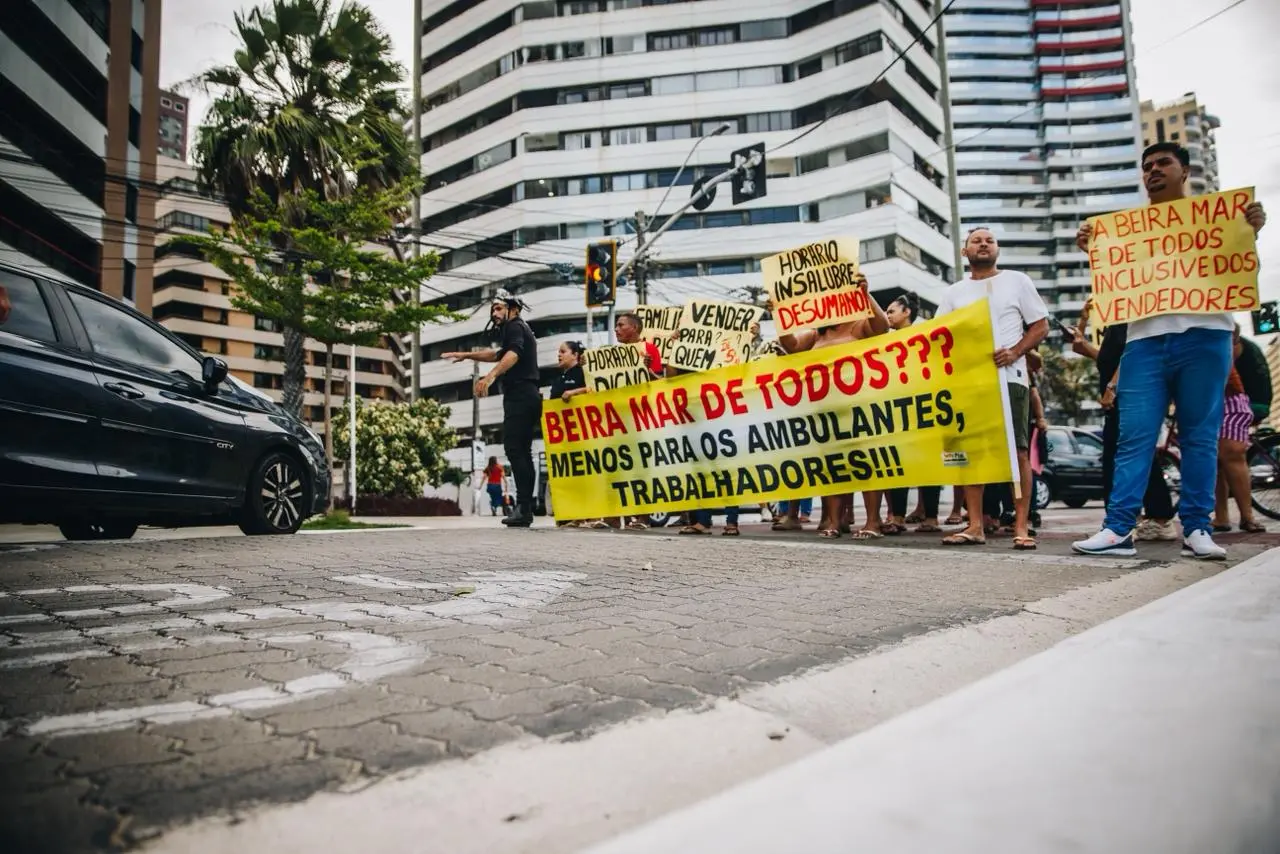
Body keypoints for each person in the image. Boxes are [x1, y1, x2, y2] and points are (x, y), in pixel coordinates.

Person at [1072, 142, 1267, 559]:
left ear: (1184, 171)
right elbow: (1115, 277)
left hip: (1205, 335)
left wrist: (1250, 230)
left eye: (1163, 163)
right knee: (1133, 436)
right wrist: (1094, 248)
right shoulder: (1128, 230)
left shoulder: (1220, 219)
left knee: (1199, 436)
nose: (1153, 171)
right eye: (1147, 166)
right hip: (1143, 342)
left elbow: (1242, 267)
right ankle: (1118, 528)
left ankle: (1197, 528)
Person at [935, 228, 1049, 550]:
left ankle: (1022, 526)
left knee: (1019, 452)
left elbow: (1041, 325)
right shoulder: (954, 292)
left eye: (990, 240)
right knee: (971, 454)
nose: (983, 244)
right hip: (970, 383)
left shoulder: (1018, 281)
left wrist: (1015, 351)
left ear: (997, 249)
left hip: (1010, 379)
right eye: (976, 241)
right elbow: (938, 335)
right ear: (964, 252)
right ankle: (974, 525)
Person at [774, 274, 890, 539]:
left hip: (860, 407)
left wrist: (865, 294)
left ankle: (872, 522)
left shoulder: (858, 325)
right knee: (832, 468)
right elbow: (790, 345)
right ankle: (834, 523)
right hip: (825, 412)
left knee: (867, 464)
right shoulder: (816, 334)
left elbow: (882, 326)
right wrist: (780, 315)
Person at [1068, 302, 1176, 541]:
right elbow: (1102, 356)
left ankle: (1145, 519)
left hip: (1127, 393)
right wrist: (1084, 323)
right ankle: (1146, 518)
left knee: (1127, 453)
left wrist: (1112, 386)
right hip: (1121, 393)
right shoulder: (1115, 323)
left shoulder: (1129, 317)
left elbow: (1131, 355)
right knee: (1127, 452)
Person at [443, 292, 541, 528]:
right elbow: (497, 353)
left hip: (521, 394)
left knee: (515, 449)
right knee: (522, 451)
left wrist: (489, 376)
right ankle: (525, 508)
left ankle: (524, 507)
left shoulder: (515, 326)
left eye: (498, 308)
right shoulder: (519, 328)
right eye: (493, 310)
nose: (494, 314)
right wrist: (467, 355)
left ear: (513, 308)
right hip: (527, 394)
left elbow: (512, 355)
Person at [880, 293, 943, 533]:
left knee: (928, 463)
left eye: (891, 311)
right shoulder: (884, 340)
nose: (888, 316)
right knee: (898, 463)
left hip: (925, 406)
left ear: (907, 312)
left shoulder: (926, 334)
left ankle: (931, 518)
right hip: (897, 408)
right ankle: (897, 518)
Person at [1213, 328, 1266, 533]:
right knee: (1215, 461)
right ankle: (1222, 517)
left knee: (1232, 454)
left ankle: (1247, 516)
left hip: (1229, 398)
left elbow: (1229, 349)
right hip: (1207, 400)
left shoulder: (1223, 333)